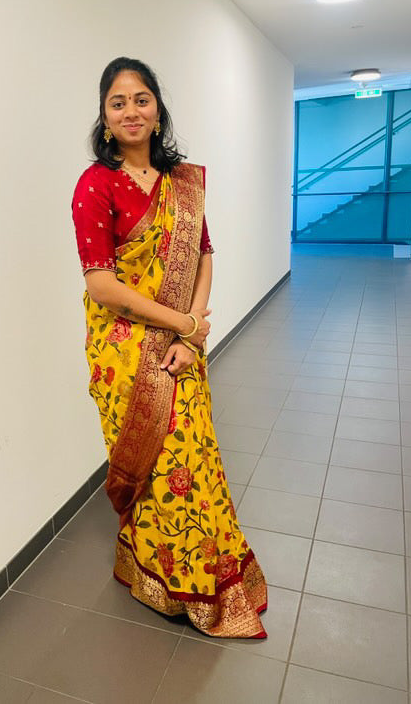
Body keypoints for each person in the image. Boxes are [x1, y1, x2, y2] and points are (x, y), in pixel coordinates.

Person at [71, 56, 268, 637]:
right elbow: (102, 283)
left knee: (194, 461)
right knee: (158, 466)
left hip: (182, 339)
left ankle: (202, 572)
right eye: (117, 102)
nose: (130, 110)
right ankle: (156, 573)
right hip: (124, 351)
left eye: (141, 99)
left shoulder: (182, 185)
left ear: (158, 110)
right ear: (105, 119)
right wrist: (182, 325)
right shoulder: (95, 184)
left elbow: (205, 253)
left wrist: (194, 324)